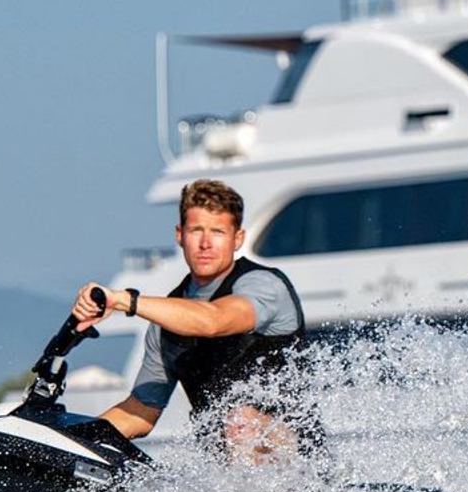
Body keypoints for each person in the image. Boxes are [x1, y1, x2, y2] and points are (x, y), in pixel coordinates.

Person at [71, 179, 317, 464]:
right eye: (196, 230)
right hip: (225, 471)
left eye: (218, 232)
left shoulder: (263, 285)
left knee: (240, 420)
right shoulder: (167, 321)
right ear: (180, 235)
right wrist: (71, 440)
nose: (205, 243)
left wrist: (124, 300)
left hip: (298, 461)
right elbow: (140, 413)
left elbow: (214, 320)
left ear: (238, 238)